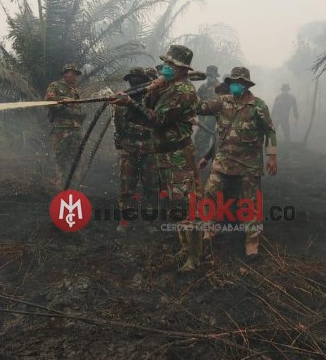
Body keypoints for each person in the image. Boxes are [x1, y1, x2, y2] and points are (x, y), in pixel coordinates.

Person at [110, 45, 203, 272]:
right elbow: (149, 106)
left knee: (185, 205)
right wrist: (152, 88)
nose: (166, 68)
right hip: (165, 153)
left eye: (171, 65)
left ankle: (195, 258)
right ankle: (184, 250)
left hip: (178, 155)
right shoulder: (168, 86)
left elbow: (156, 120)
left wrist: (130, 103)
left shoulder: (182, 91)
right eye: (166, 65)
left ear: (181, 69)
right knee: (175, 205)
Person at [196, 66, 278, 261]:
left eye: (238, 83)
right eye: (232, 83)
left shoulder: (258, 106)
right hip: (223, 162)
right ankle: (209, 231)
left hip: (248, 165)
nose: (235, 86)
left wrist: (272, 156)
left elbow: (270, 131)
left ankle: (251, 241)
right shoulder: (222, 102)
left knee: (250, 204)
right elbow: (201, 108)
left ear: (246, 85)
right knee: (210, 193)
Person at [113, 67, 158, 233]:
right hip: (129, 149)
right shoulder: (123, 100)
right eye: (132, 78)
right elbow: (121, 126)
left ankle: (150, 222)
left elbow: (154, 118)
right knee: (127, 186)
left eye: (138, 77)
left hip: (149, 149)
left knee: (151, 187)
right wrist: (142, 129)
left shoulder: (151, 98)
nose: (134, 80)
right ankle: (126, 220)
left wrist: (147, 128)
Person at [45, 64, 85, 187]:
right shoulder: (55, 86)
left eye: (76, 74)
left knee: (76, 156)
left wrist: (79, 116)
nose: (74, 76)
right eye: (71, 73)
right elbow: (49, 101)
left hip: (75, 128)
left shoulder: (75, 90)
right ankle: (61, 182)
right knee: (61, 155)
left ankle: (75, 182)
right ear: (64, 74)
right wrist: (64, 104)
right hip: (62, 128)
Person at [194, 65, 221, 161]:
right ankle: (200, 161)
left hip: (214, 119)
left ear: (215, 76)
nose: (209, 77)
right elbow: (198, 98)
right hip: (202, 118)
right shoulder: (203, 87)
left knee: (213, 141)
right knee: (200, 140)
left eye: (211, 75)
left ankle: (208, 162)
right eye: (208, 74)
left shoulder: (219, 87)